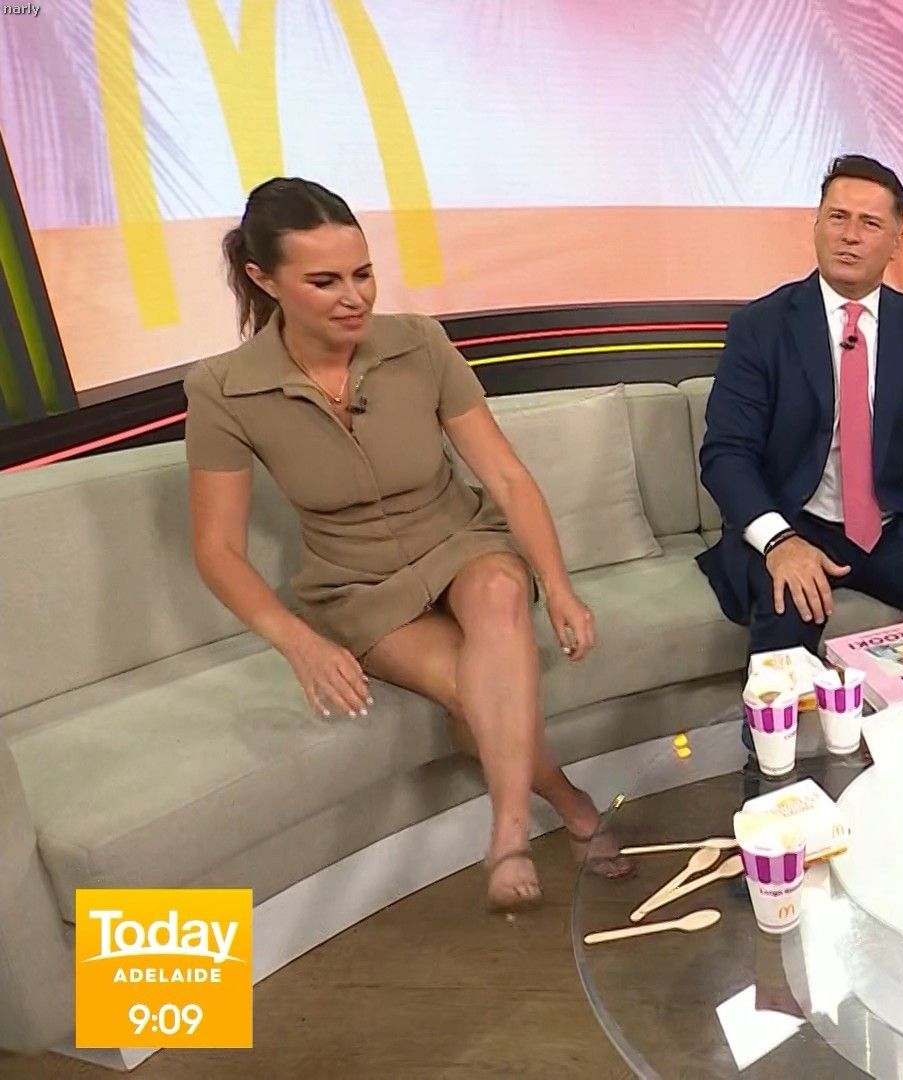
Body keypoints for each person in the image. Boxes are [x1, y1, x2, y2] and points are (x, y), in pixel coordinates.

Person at [184, 178, 630, 914]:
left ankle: (509, 831)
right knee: (474, 688)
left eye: (362, 274)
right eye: (324, 281)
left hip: (459, 539)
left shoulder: (419, 342)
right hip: (356, 586)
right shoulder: (222, 390)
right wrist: (298, 642)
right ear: (264, 279)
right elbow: (217, 548)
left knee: (500, 592)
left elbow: (506, 477)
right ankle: (570, 801)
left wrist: (558, 585)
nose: (353, 297)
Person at [697, 155, 903, 669]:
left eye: (870, 223)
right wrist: (778, 541)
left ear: (897, 240)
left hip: (894, 528)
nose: (850, 236)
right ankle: (771, 726)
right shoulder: (761, 327)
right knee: (787, 610)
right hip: (796, 520)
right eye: (837, 217)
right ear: (816, 224)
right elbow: (725, 454)